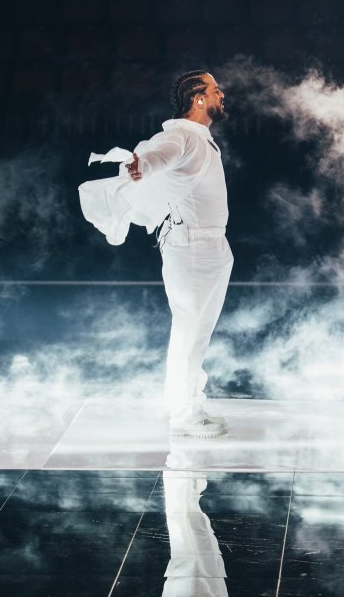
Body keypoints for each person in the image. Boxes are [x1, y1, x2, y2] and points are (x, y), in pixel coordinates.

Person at [124, 70, 234, 438]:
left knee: (198, 332)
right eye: (215, 90)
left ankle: (191, 403)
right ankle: (183, 413)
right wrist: (144, 165)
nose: (222, 94)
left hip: (211, 245)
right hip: (191, 248)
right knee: (188, 329)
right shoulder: (181, 135)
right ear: (198, 99)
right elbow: (160, 155)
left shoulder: (200, 138)